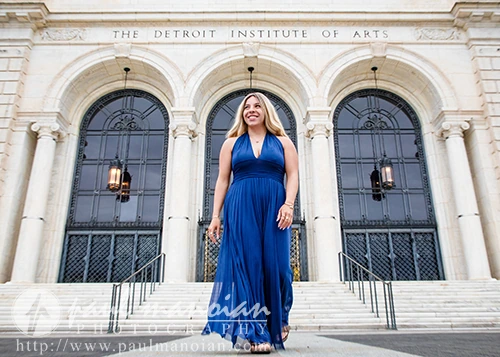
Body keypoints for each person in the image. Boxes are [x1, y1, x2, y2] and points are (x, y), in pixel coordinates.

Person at [202, 92, 299, 354]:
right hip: (241, 205)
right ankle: (256, 332)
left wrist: (288, 204)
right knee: (249, 266)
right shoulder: (231, 144)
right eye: (247, 107)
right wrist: (215, 216)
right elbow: (223, 180)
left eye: (257, 106)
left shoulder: (283, 142)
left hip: (275, 207)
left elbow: (293, 175)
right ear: (242, 113)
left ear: (266, 111)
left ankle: (280, 318)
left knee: (278, 268)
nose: (251, 110)